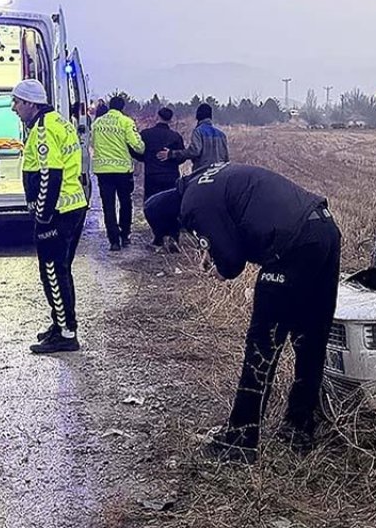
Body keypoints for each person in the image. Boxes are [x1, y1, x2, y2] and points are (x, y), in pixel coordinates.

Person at [146, 162, 341, 463]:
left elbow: (232, 263)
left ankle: (241, 439)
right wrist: (213, 249)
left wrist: (218, 265)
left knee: (262, 345)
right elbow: (235, 221)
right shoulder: (202, 179)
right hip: (324, 229)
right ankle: (300, 426)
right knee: (310, 338)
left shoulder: (191, 207)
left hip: (291, 247)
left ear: (175, 220)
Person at [11, 79, 88, 354]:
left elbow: (49, 175)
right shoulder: (59, 123)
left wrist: (42, 215)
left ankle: (67, 333)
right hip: (73, 206)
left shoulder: (43, 130)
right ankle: (61, 323)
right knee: (61, 270)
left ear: (31, 104)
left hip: (57, 213)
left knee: (53, 272)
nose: (13, 108)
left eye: (17, 102)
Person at [90, 95, 145, 250]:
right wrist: (143, 149)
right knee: (125, 202)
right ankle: (125, 234)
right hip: (122, 171)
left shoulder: (97, 123)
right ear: (122, 107)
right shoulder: (126, 122)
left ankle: (113, 241)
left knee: (108, 206)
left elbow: (92, 143)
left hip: (103, 171)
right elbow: (137, 146)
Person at [133, 107, 185, 248]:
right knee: (173, 208)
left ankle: (158, 237)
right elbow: (181, 158)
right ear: (171, 119)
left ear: (158, 116)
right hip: (171, 177)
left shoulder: (146, 134)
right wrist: (171, 156)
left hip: (152, 176)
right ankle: (174, 237)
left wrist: (148, 159)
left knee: (152, 206)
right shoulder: (175, 136)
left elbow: (137, 152)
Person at [157, 102, 228, 172]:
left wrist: (172, 154)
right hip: (219, 173)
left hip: (203, 173)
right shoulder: (221, 135)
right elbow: (226, 158)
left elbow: (194, 151)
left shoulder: (198, 131)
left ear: (198, 116)